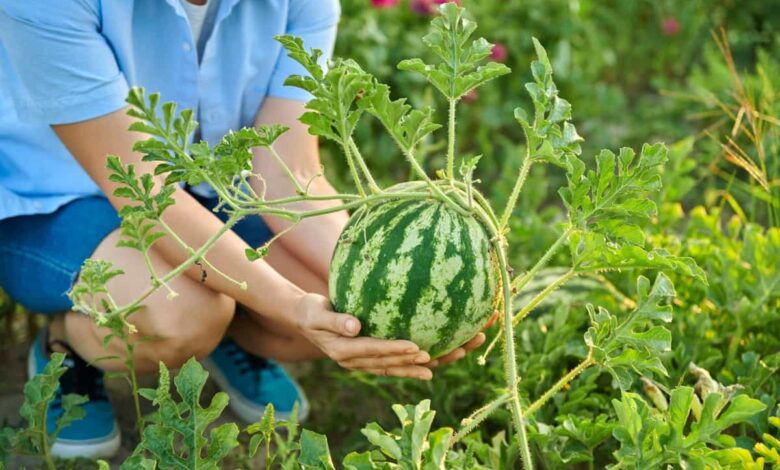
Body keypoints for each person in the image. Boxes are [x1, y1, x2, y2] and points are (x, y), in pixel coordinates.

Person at [0, 0, 488, 459]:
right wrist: (289, 306)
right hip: (57, 201)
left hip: (215, 199)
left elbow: (288, 171)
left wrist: (394, 279)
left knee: (346, 300)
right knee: (181, 316)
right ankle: (68, 345)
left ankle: (225, 318)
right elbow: (144, 192)